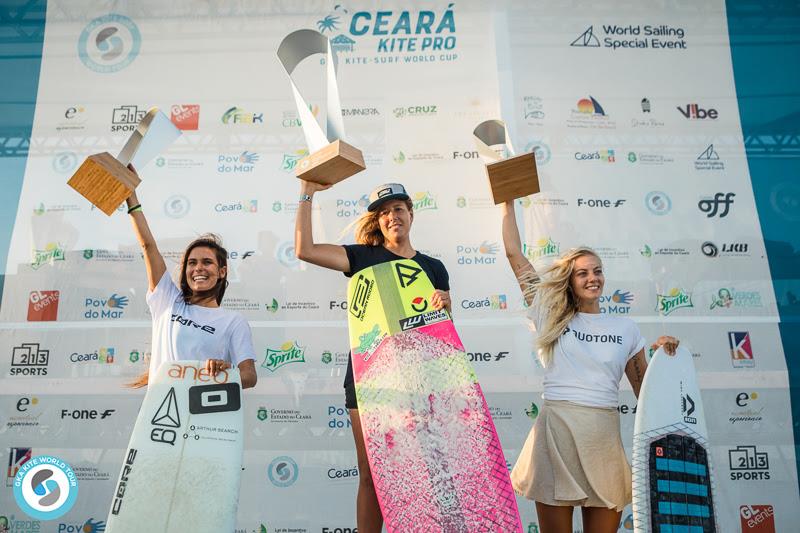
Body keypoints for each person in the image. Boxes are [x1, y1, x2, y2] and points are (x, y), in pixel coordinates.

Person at [499, 199, 678, 533]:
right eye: (582, 273)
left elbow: (646, 393)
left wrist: (665, 359)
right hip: (557, 434)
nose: (592, 278)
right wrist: (507, 204)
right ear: (570, 279)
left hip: (603, 438)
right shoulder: (548, 313)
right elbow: (514, 255)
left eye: (597, 271)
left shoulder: (626, 328)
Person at [295, 180, 451, 532]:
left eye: (397, 209)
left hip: (418, 382)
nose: (392, 217)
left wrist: (448, 307)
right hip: (369, 381)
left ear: (411, 213)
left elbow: (439, 333)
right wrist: (308, 190)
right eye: (383, 213)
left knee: (420, 471)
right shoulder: (363, 257)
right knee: (371, 474)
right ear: (378, 223)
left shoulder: (434, 267)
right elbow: (304, 249)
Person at [124, 166, 257, 390]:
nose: (198, 269)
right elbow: (148, 246)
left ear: (222, 271)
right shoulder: (167, 300)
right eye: (192, 263)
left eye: (207, 262)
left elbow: (249, 377)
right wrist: (131, 198)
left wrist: (225, 373)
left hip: (203, 417)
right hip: (160, 414)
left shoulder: (233, 321)